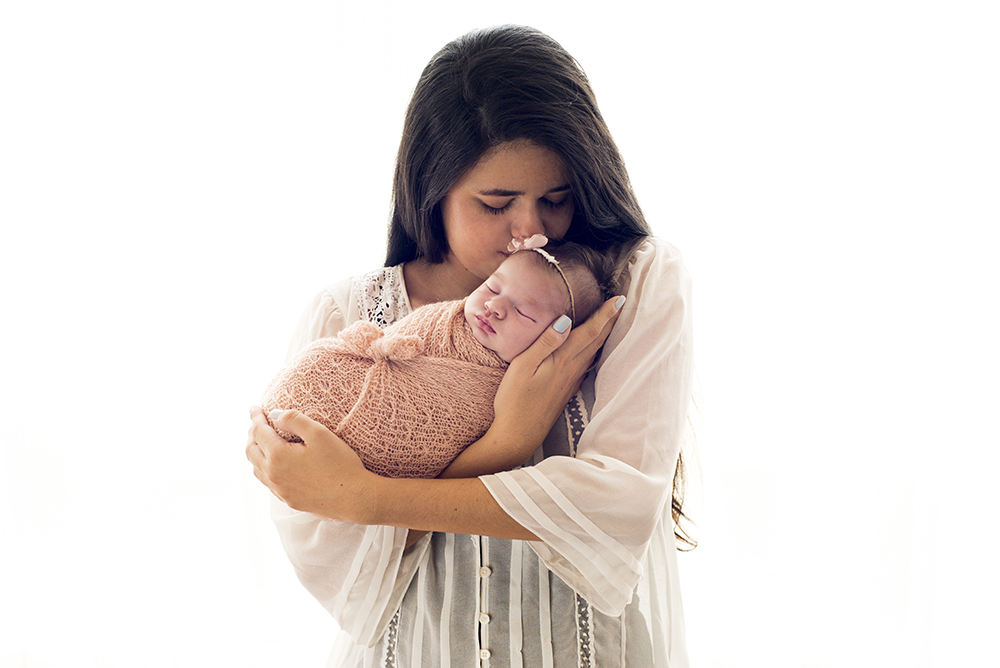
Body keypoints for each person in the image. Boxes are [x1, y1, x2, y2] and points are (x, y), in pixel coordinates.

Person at [247, 25, 696, 667]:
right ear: (433, 193)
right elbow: (336, 557)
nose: (531, 231)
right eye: (495, 204)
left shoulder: (633, 284)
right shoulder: (351, 316)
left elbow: (617, 505)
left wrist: (367, 496)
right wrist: (502, 446)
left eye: (556, 199)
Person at [260, 242, 612, 479]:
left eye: (524, 313)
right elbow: (398, 340)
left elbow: (457, 426)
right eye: (492, 288)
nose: (495, 306)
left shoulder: (518, 386)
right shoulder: (444, 316)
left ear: (555, 338)